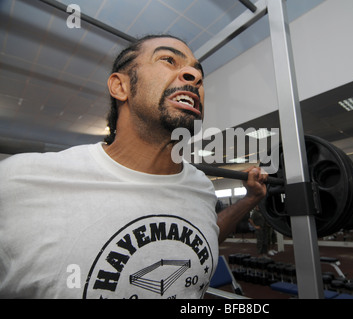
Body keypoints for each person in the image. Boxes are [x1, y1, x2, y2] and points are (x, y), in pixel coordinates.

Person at [0, 34, 267, 299]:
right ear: (120, 87)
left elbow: (206, 233)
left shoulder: (200, 186)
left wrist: (250, 199)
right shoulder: (17, 182)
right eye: (168, 60)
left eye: (199, 74)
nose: (194, 76)